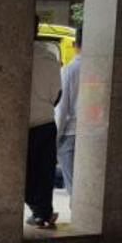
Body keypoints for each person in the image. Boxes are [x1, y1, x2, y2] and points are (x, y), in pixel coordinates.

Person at [26, 17, 62, 228]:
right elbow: (56, 92)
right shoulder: (49, 55)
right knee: (45, 171)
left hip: (24, 124)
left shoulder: (12, 54)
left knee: (26, 172)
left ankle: (40, 211)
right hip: (46, 120)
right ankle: (43, 212)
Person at [56, 26, 81, 198]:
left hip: (70, 135)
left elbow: (61, 109)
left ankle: (81, 218)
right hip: (96, 134)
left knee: (74, 187)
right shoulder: (104, 67)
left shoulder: (69, 70)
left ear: (74, 43)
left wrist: (56, 137)